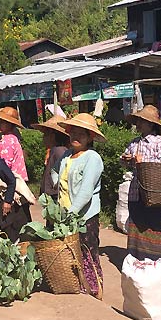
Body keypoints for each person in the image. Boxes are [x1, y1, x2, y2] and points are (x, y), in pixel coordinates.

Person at [52, 113, 106, 299]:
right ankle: (77, 287)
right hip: (65, 215)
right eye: (73, 132)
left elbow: (85, 192)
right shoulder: (66, 156)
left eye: (81, 134)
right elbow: (56, 172)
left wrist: (72, 213)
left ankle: (95, 291)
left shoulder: (92, 158)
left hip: (84, 217)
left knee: (87, 253)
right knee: (70, 254)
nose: (76, 137)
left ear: (90, 137)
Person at [120, 105, 161, 261]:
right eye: (137, 120)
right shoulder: (134, 143)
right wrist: (126, 160)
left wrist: (143, 162)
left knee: (155, 224)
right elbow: (123, 161)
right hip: (135, 192)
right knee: (137, 225)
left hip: (154, 194)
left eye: (141, 121)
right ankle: (138, 260)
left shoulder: (160, 143)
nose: (138, 124)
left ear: (151, 124)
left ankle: (157, 261)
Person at [31, 116, 70, 201]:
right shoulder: (54, 151)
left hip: (55, 197)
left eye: (46, 134)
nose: (43, 137)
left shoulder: (59, 152)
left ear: (53, 136)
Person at [0, 106, 28, 181]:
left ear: (9, 124)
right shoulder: (11, 138)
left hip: (11, 180)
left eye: (2, 122)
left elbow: (5, 165)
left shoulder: (8, 140)